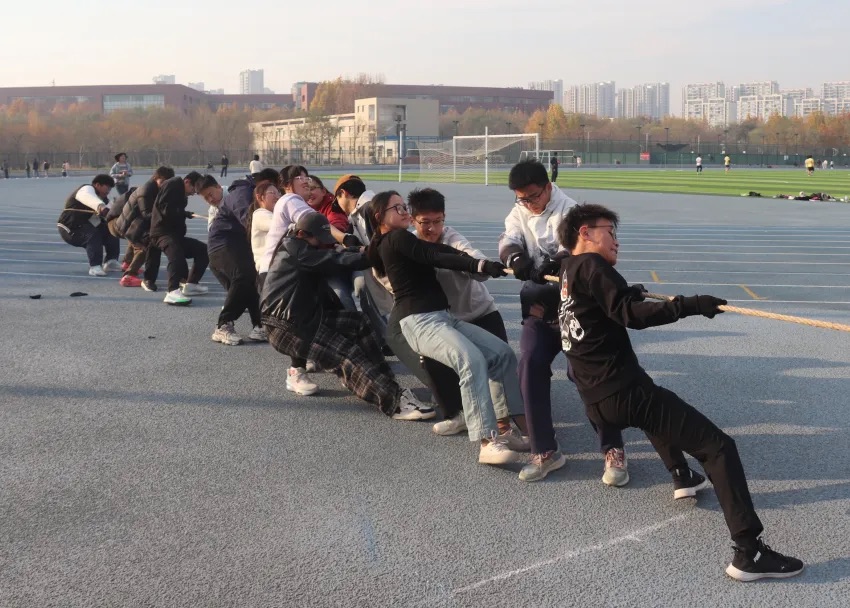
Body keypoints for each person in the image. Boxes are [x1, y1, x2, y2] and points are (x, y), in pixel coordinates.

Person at [557, 202, 804, 582]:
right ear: (585, 233)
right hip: (623, 392)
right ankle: (749, 552)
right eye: (610, 231)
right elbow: (630, 314)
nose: (616, 241)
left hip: (596, 401)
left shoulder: (568, 270)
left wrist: (628, 291)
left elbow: (602, 306)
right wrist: (688, 306)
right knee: (719, 448)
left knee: (656, 408)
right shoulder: (593, 265)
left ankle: (682, 475)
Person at [367, 190, 525, 466]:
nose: (404, 212)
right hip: (420, 320)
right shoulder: (397, 239)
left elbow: (443, 251)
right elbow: (434, 254)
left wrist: (480, 264)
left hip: (445, 317)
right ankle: (487, 442)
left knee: (501, 354)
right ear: (380, 216)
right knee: (471, 361)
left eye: (404, 207)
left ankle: (512, 428)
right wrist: (476, 263)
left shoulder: (403, 241)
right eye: (398, 208)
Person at [500, 159, 627, 483]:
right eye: (522, 198)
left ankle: (613, 448)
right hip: (540, 307)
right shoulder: (519, 211)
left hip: (577, 308)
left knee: (585, 373)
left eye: (533, 196)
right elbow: (508, 239)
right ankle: (545, 450)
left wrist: (552, 263)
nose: (528, 203)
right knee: (529, 365)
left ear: (548, 187)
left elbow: (572, 249)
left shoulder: (571, 211)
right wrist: (515, 256)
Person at [262, 212, 434, 420]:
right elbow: (335, 259)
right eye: (320, 240)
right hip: (286, 326)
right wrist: (373, 256)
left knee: (358, 323)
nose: (324, 244)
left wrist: (363, 250)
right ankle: (394, 402)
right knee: (345, 353)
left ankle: (383, 381)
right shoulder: (299, 252)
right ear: (301, 234)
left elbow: (335, 253)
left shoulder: (300, 247)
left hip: (304, 317)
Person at [409, 187, 528, 442]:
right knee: (434, 364)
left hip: (480, 312)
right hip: (441, 321)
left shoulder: (452, 238)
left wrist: (481, 266)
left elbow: (471, 256)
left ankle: (504, 424)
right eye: (425, 222)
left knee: (499, 363)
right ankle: (458, 415)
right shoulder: (408, 246)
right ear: (412, 220)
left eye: (438, 221)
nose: (432, 228)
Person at [204, 170, 279, 345]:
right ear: (263, 184)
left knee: (251, 281)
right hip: (222, 245)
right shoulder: (242, 193)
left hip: (237, 246)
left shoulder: (249, 191)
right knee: (244, 275)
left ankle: (259, 326)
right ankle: (223, 325)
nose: (276, 195)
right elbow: (251, 222)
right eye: (273, 190)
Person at [148, 171, 209, 305]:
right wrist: (183, 213)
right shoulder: (174, 184)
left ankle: (191, 284)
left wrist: (184, 213)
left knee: (203, 250)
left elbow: (172, 209)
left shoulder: (181, 194)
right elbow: (165, 208)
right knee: (175, 254)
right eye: (193, 189)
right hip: (161, 233)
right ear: (187, 182)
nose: (193, 193)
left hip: (174, 235)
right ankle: (172, 292)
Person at [110, 166, 175, 287]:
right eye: (162, 181)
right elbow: (146, 214)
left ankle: (127, 263)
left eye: (167, 182)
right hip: (118, 224)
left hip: (128, 224)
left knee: (136, 236)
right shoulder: (146, 190)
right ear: (155, 178)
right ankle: (129, 276)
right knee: (145, 246)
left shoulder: (156, 189)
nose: (164, 185)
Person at [308, 175, 357, 311]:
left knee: (340, 295)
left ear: (323, 191)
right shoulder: (299, 208)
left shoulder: (333, 206)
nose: (309, 193)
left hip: (334, 264)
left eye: (313, 188)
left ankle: (357, 323)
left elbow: (337, 226)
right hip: (312, 264)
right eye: (306, 189)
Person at [56, 174, 121, 276]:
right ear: (97, 185)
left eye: (110, 189)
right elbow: (90, 199)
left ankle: (111, 261)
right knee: (92, 235)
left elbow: (108, 215)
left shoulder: (104, 200)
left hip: (86, 225)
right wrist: (101, 207)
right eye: (107, 187)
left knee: (111, 230)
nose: (108, 191)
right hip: (69, 227)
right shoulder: (86, 189)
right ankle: (95, 266)